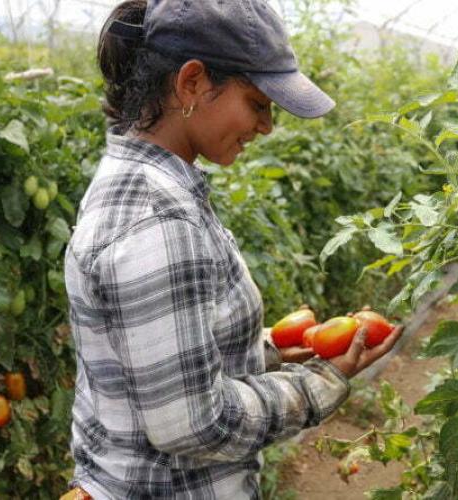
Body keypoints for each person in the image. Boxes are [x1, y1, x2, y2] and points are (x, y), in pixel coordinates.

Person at [61, 0, 403, 497]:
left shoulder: (143, 184)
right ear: (193, 83)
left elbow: (147, 358)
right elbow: (192, 424)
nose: (266, 125)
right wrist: (320, 381)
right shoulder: (159, 221)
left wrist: (261, 350)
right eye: (258, 103)